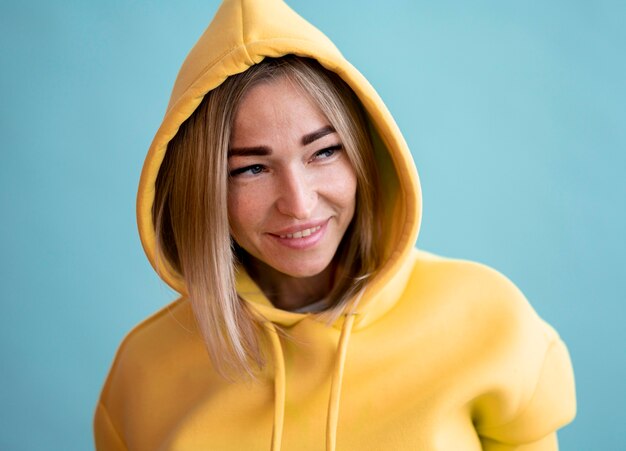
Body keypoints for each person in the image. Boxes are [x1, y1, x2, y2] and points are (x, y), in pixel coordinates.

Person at [94, 0, 576, 450]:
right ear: (202, 190)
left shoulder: (491, 321)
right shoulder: (142, 374)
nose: (300, 205)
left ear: (364, 155)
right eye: (251, 168)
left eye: (324, 151)